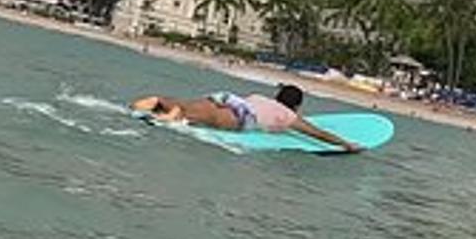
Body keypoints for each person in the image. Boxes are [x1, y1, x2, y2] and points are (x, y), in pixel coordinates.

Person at [131, 83, 364, 153]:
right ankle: (169, 118)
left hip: (229, 98)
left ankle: (151, 104)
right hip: (241, 118)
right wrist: (347, 144)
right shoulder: (289, 116)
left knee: (185, 106)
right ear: (296, 105)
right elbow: (318, 134)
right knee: (203, 117)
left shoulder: (261, 97)